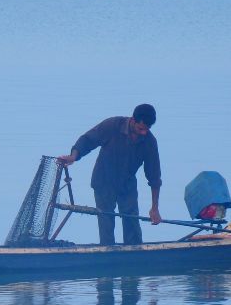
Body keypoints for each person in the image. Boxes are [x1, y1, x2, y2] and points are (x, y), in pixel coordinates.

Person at [58, 104, 162, 245]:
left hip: (127, 185)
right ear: (133, 120)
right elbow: (88, 140)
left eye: (147, 129)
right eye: (140, 128)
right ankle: (108, 255)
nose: (143, 133)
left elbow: (154, 177)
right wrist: (73, 157)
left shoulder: (149, 142)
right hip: (103, 182)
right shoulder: (112, 125)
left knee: (132, 222)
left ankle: (134, 258)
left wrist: (154, 208)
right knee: (106, 222)